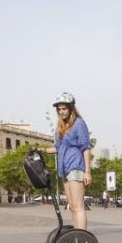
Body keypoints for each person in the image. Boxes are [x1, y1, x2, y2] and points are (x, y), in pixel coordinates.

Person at [41, 93, 92, 230]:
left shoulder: (79, 123)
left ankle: (82, 238)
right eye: (59, 109)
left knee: (78, 206)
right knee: (72, 207)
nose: (61, 111)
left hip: (75, 167)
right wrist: (42, 150)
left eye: (64, 108)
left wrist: (87, 172)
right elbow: (57, 148)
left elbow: (85, 147)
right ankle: (77, 235)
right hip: (64, 169)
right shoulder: (60, 128)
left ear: (70, 108)